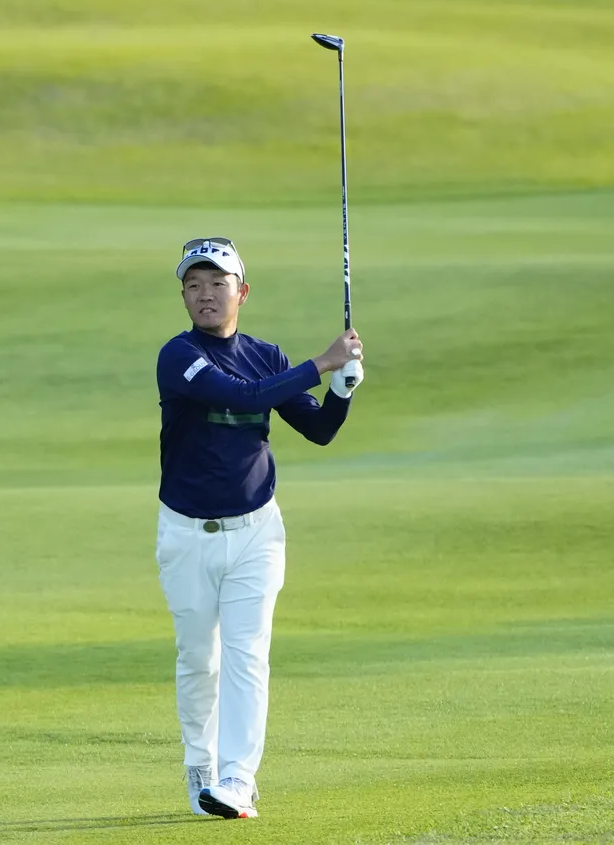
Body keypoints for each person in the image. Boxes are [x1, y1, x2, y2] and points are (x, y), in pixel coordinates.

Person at [155, 237, 364, 820]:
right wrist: (321, 364)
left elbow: (319, 430)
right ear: (183, 297)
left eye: (217, 284)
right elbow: (243, 397)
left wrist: (342, 390)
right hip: (186, 533)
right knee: (199, 658)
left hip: (255, 533)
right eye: (193, 285)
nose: (205, 294)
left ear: (241, 292)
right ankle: (201, 767)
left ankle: (237, 780)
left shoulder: (267, 356)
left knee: (247, 654)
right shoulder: (178, 356)